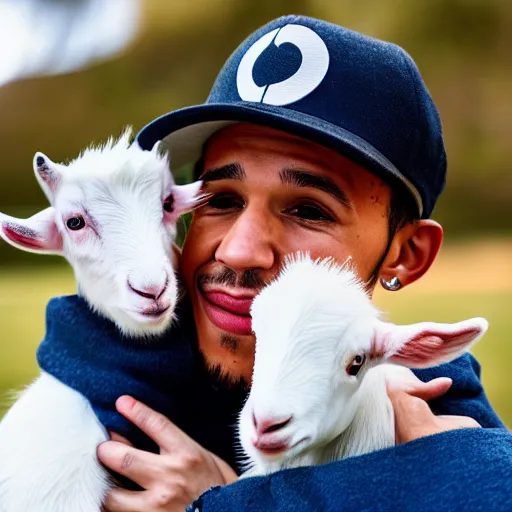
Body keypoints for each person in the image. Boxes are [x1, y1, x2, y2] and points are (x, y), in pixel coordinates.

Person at [39, 15, 511, 511]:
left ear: (406, 255)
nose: (239, 250)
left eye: (308, 210)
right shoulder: (99, 392)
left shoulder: (433, 415)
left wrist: (225, 503)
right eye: (220, 199)